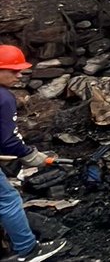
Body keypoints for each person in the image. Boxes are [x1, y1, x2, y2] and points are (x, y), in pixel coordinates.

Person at [0, 45, 67, 262]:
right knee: (8, 200)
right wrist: (31, 155)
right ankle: (29, 251)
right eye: (13, 70)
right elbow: (8, 140)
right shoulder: (4, 98)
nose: (19, 75)